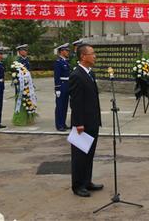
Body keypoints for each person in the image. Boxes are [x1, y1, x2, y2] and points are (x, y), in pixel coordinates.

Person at [69, 44, 103, 197]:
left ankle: (87, 181)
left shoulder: (90, 73)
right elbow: (75, 102)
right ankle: (78, 186)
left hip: (93, 121)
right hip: (82, 124)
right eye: (92, 53)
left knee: (89, 154)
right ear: (83, 56)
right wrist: (78, 123)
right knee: (79, 156)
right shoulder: (76, 75)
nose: (94, 56)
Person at [54, 43, 72, 131]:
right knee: (60, 106)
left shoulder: (66, 61)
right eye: (66, 51)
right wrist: (57, 88)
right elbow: (56, 76)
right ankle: (59, 125)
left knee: (65, 106)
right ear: (61, 51)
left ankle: (63, 123)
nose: (68, 52)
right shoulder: (58, 62)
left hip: (67, 85)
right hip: (61, 86)